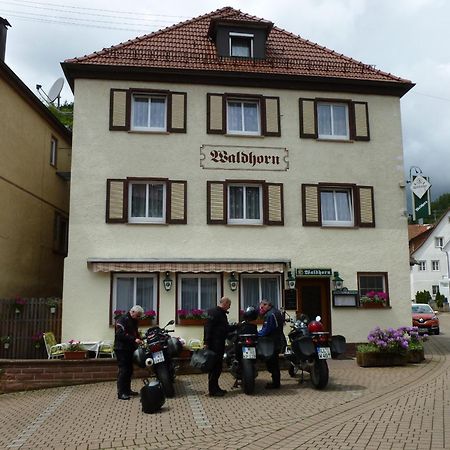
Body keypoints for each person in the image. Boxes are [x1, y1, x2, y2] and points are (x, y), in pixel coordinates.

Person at [204, 297, 235, 397]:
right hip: (214, 344)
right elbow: (208, 327)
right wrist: (206, 342)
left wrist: (237, 326)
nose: (229, 307)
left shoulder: (222, 313)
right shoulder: (213, 312)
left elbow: (225, 328)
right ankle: (213, 390)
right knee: (215, 367)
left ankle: (215, 388)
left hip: (220, 343)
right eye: (229, 305)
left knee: (217, 367)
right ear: (225, 303)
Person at [114, 305, 144, 400]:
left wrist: (139, 338)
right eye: (138, 315)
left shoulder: (134, 320)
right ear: (133, 312)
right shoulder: (122, 319)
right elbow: (120, 334)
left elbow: (135, 332)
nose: (139, 318)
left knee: (129, 370)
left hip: (129, 349)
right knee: (123, 371)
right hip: (121, 349)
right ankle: (121, 393)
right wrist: (134, 339)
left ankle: (127, 390)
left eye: (140, 316)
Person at [258, 299, 286, 389]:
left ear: (268, 305)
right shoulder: (276, 312)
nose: (261, 309)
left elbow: (267, 329)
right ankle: (276, 382)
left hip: (273, 342)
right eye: (261, 307)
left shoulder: (270, 315)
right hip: (278, 340)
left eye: (263, 306)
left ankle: (276, 383)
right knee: (274, 362)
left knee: (272, 362)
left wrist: (257, 334)